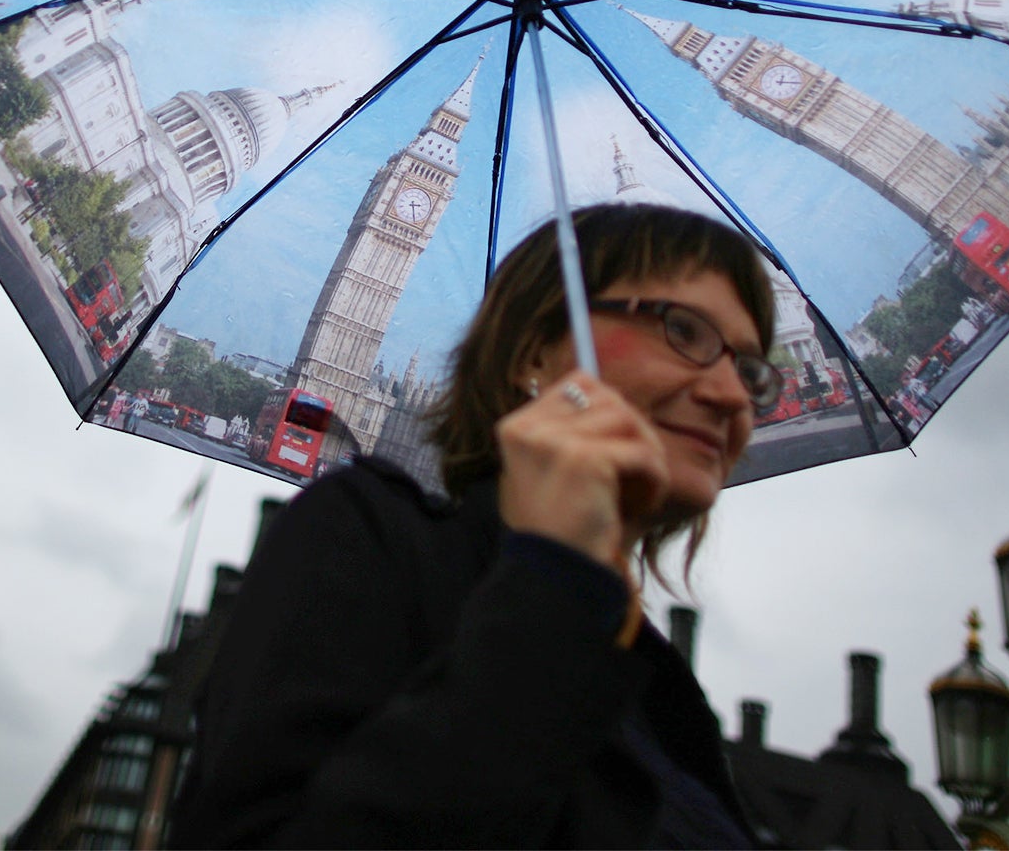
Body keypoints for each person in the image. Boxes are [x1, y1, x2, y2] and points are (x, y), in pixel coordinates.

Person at [168, 202, 781, 848]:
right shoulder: (372, 539)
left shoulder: (668, 694)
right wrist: (557, 576)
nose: (732, 396)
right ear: (531, 352)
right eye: (684, 331)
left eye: (750, 370)